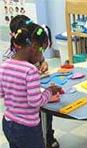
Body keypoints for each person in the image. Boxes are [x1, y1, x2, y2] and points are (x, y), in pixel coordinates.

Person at [2, 15, 59, 148]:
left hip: (8, 122)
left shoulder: (4, 65)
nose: (41, 56)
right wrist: (49, 92)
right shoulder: (30, 70)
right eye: (41, 51)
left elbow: (2, 93)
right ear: (33, 47)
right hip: (27, 128)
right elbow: (35, 102)